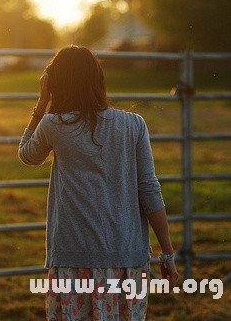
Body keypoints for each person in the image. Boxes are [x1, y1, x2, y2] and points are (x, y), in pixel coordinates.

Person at [18, 45, 178, 320]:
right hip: (125, 256)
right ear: (98, 79)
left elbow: (27, 155)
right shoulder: (134, 125)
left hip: (73, 256)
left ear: (55, 81)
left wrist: (41, 103)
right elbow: (149, 190)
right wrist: (167, 253)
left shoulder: (54, 125)